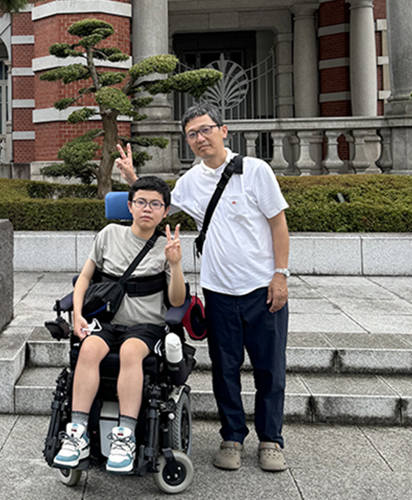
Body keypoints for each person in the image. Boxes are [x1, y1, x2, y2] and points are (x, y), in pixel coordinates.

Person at [115, 103, 290, 473]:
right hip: (218, 291)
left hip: (262, 289)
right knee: (225, 368)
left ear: (224, 130)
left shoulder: (255, 171)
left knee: (269, 368)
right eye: (192, 133)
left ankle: (271, 439)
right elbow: (157, 205)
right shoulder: (191, 181)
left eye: (206, 129)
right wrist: (133, 178)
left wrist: (281, 275)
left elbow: (278, 225)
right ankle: (232, 437)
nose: (200, 138)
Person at [53, 176, 185, 474]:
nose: (147, 209)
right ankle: (77, 433)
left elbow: (177, 301)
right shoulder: (109, 234)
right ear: (129, 206)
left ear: (165, 211)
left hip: (146, 326)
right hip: (108, 322)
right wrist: (77, 314)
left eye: (155, 204)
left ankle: (124, 436)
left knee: (130, 353)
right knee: (88, 350)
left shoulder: (168, 246)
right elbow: (84, 279)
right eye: (141, 202)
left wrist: (174, 264)